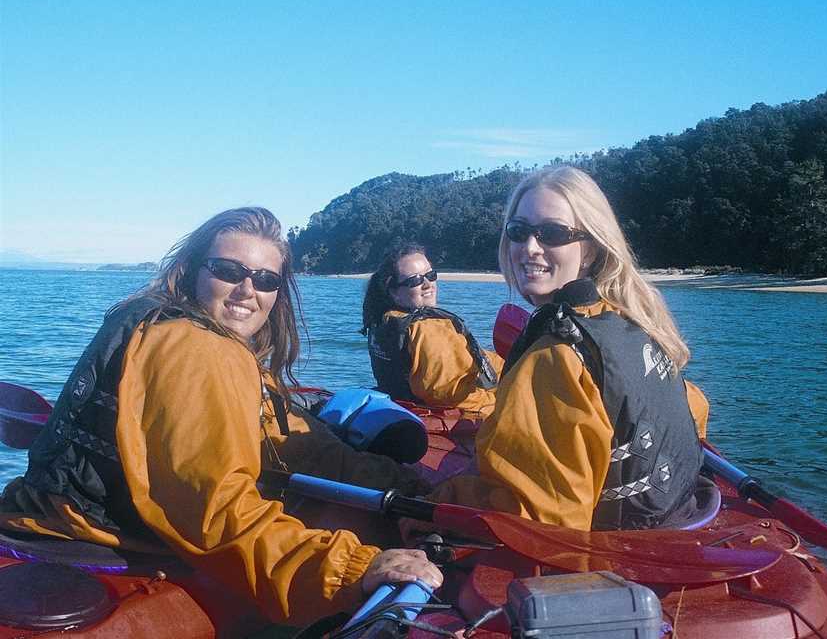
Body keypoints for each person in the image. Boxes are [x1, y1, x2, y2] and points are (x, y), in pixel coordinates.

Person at [0, 207, 441, 625]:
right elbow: (218, 511)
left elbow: (302, 443)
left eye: (266, 279)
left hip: (36, 513)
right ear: (194, 270)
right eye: (228, 271)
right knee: (359, 527)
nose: (248, 290)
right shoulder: (199, 351)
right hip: (85, 537)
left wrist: (408, 490)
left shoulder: (175, 330)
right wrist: (354, 567)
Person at [431, 166, 710, 532]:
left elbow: (539, 522)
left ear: (591, 249)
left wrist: (434, 499)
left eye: (552, 233)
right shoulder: (635, 320)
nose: (530, 247)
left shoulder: (556, 358)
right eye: (518, 231)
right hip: (679, 520)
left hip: (618, 553)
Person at [360, 243, 504, 417]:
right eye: (415, 280)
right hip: (443, 412)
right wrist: (499, 402)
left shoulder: (383, 320)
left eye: (431, 275)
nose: (428, 284)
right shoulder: (426, 328)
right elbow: (446, 392)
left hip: (402, 403)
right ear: (394, 292)